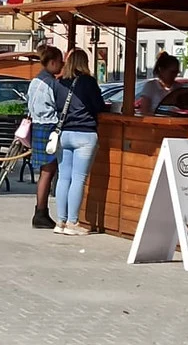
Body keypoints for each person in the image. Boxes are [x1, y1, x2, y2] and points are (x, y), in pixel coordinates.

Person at [54, 48, 106, 236]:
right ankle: (72, 222)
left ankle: (60, 221)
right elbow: (98, 106)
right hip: (85, 134)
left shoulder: (60, 83)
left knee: (63, 177)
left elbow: (57, 106)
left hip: (64, 133)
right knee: (78, 179)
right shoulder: (88, 82)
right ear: (84, 63)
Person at [25, 45, 66, 229]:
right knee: (48, 171)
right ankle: (41, 212)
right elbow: (61, 105)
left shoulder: (35, 81)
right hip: (49, 126)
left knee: (44, 171)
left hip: (37, 125)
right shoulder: (51, 83)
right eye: (60, 62)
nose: (62, 66)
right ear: (52, 62)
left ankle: (40, 211)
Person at [138, 52, 181, 116]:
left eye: (176, 72)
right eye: (171, 72)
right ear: (161, 70)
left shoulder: (179, 87)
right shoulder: (151, 86)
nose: (174, 75)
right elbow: (144, 111)